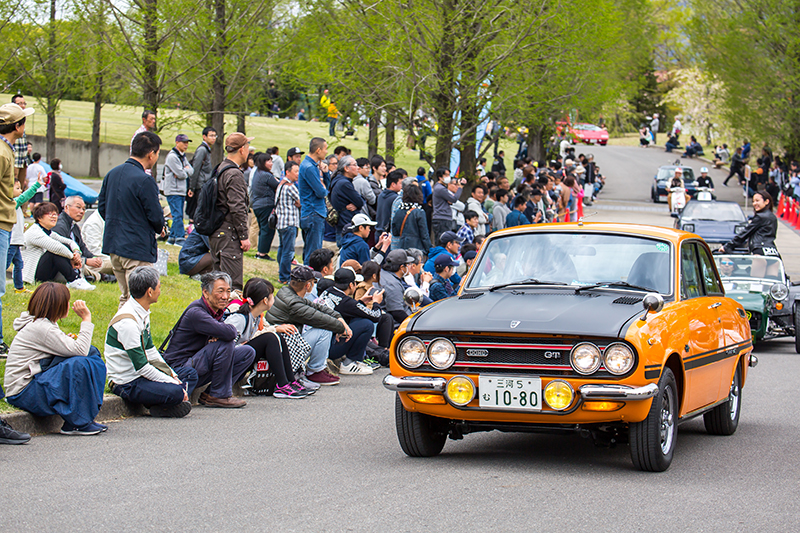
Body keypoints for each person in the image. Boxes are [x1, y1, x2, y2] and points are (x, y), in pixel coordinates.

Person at [4, 283, 107, 435]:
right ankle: (77, 423)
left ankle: (83, 417)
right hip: (22, 392)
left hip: (30, 384)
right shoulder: (41, 327)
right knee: (80, 363)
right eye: (66, 301)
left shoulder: (42, 324)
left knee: (91, 355)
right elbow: (80, 350)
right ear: (57, 305)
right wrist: (86, 318)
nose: (68, 305)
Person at [105, 266, 198, 417]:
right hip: (127, 382)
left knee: (189, 374)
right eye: (159, 287)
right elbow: (142, 367)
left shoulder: (142, 311)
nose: (160, 291)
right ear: (149, 291)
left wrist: (171, 375)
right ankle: (168, 401)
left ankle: (163, 401)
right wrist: (174, 384)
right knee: (176, 390)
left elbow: (150, 350)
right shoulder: (128, 323)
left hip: (141, 375)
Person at [162, 271, 255, 408]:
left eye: (228, 291)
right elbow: (230, 334)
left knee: (248, 352)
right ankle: (219, 395)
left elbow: (225, 332)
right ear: (205, 293)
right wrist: (222, 334)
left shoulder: (215, 311)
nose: (225, 297)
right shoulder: (197, 313)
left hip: (197, 364)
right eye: (220, 291)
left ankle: (210, 394)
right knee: (225, 343)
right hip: (181, 369)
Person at [98, 130, 167, 306]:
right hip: (135, 248)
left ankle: (119, 333)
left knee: (127, 296)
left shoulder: (112, 174)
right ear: (151, 153)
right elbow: (155, 215)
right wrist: (160, 228)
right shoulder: (145, 180)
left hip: (114, 245)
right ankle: (133, 333)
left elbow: (102, 208)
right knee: (140, 300)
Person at [225, 278, 312, 399]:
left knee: (278, 337)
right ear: (265, 300)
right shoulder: (239, 318)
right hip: (231, 365)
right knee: (270, 338)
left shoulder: (255, 316)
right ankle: (282, 385)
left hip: (242, 359)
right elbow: (226, 347)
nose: (274, 299)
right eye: (272, 296)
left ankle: (290, 381)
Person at [265, 265, 351, 386]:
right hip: (284, 351)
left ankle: (315, 369)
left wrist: (338, 317)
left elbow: (316, 307)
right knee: (324, 330)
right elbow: (319, 318)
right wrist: (342, 329)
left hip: (284, 344)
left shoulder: (286, 292)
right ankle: (315, 371)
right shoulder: (294, 304)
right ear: (308, 285)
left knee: (325, 326)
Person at [319, 268, 387, 374]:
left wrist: (360, 302)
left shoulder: (328, 291)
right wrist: (376, 302)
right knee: (367, 324)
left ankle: (352, 361)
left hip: (321, 344)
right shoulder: (346, 302)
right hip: (330, 348)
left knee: (358, 320)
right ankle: (349, 363)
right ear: (351, 285)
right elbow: (375, 316)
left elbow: (349, 309)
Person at [209, 132, 252, 290]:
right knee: (231, 286)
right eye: (247, 147)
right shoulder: (234, 174)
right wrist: (243, 236)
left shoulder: (221, 168)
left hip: (218, 233)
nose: (248, 151)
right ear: (241, 150)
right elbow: (237, 206)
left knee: (218, 284)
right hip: (228, 234)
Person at [22, 202, 94, 290]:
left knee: (63, 247)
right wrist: (73, 258)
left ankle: (76, 279)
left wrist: (76, 252)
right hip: (31, 275)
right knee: (54, 252)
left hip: (43, 271)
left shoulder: (49, 232)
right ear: (39, 218)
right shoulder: (35, 232)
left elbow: (70, 242)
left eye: (55, 214)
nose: (54, 216)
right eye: (49, 214)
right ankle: (74, 280)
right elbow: (56, 247)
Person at [53, 196, 113, 283]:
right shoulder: (60, 225)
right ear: (67, 207)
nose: (81, 211)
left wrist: (93, 257)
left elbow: (83, 248)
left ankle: (100, 277)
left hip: (82, 261)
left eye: (84, 209)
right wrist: (87, 260)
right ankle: (102, 277)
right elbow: (62, 252)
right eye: (78, 207)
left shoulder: (74, 226)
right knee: (117, 263)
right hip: (67, 265)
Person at [298, 137, 330, 264]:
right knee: (313, 253)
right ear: (318, 150)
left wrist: (326, 173)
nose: (326, 152)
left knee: (310, 250)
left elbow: (326, 188)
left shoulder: (312, 166)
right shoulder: (309, 168)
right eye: (325, 149)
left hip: (312, 212)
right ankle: (308, 279)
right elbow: (321, 192)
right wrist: (324, 188)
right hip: (313, 213)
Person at [720, 191, 778, 256]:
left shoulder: (760, 217)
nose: (754, 203)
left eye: (757, 200)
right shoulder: (773, 217)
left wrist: (728, 246)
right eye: (753, 201)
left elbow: (745, 233)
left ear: (766, 201)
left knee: (756, 266)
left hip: (759, 250)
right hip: (772, 251)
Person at [163, 134, 194, 245]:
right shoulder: (172, 157)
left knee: (178, 214)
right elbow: (181, 174)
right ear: (177, 142)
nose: (186, 145)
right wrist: (184, 171)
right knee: (177, 215)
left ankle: (172, 238)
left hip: (180, 190)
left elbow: (191, 170)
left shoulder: (182, 156)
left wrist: (184, 171)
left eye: (187, 143)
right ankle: (180, 238)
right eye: (184, 142)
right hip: (173, 190)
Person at [275, 160, 301, 283]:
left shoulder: (280, 185)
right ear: (287, 172)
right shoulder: (290, 187)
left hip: (281, 222)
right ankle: (285, 276)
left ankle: (281, 272)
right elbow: (301, 202)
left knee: (282, 248)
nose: (297, 174)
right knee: (288, 251)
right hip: (290, 222)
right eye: (295, 171)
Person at [250, 152, 280, 261]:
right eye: (269, 161)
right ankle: (262, 253)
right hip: (266, 205)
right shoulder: (266, 175)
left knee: (263, 229)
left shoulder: (257, 173)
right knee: (267, 229)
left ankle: (260, 252)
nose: (271, 163)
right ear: (263, 162)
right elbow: (278, 186)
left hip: (257, 205)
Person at [329, 155, 364, 244]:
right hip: (346, 225)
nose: (358, 168)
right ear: (346, 168)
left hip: (342, 224)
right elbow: (360, 202)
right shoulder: (344, 184)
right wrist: (357, 203)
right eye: (355, 165)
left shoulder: (337, 180)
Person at [375, 249, 415, 325]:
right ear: (401, 267)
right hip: (395, 326)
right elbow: (397, 312)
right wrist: (412, 325)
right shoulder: (392, 284)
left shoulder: (383, 273)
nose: (409, 267)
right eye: (407, 264)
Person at [187, 127, 217, 220]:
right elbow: (195, 168)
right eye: (211, 135)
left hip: (204, 184)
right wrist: (192, 187)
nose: (213, 138)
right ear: (204, 137)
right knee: (201, 212)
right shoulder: (202, 150)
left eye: (215, 136)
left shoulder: (207, 150)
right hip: (201, 185)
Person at [392, 183, 431, 252]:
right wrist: (429, 249)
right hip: (417, 249)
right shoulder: (419, 212)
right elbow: (424, 235)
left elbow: (395, 232)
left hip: (402, 248)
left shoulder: (399, 211)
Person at [431, 168, 463, 244]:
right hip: (442, 218)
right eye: (446, 175)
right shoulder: (440, 188)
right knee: (442, 242)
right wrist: (460, 187)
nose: (448, 177)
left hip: (443, 218)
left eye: (449, 175)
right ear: (440, 177)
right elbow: (453, 199)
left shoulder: (440, 187)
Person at [10, 95, 33, 189]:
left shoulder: (23, 119)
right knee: (13, 186)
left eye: (24, 103)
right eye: (20, 103)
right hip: (15, 159)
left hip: (23, 160)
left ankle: (22, 204)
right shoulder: (10, 119)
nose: (23, 106)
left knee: (23, 186)